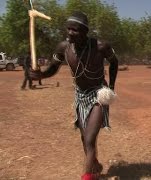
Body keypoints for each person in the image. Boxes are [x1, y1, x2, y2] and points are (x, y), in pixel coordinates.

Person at [30, 11, 118, 180]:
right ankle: (95, 165)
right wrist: (41, 75)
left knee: (90, 138)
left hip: (99, 93)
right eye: (68, 29)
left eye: (75, 30)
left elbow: (114, 62)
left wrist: (112, 87)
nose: (70, 33)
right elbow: (53, 69)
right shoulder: (63, 47)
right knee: (85, 139)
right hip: (80, 96)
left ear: (85, 31)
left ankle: (87, 176)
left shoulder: (100, 46)